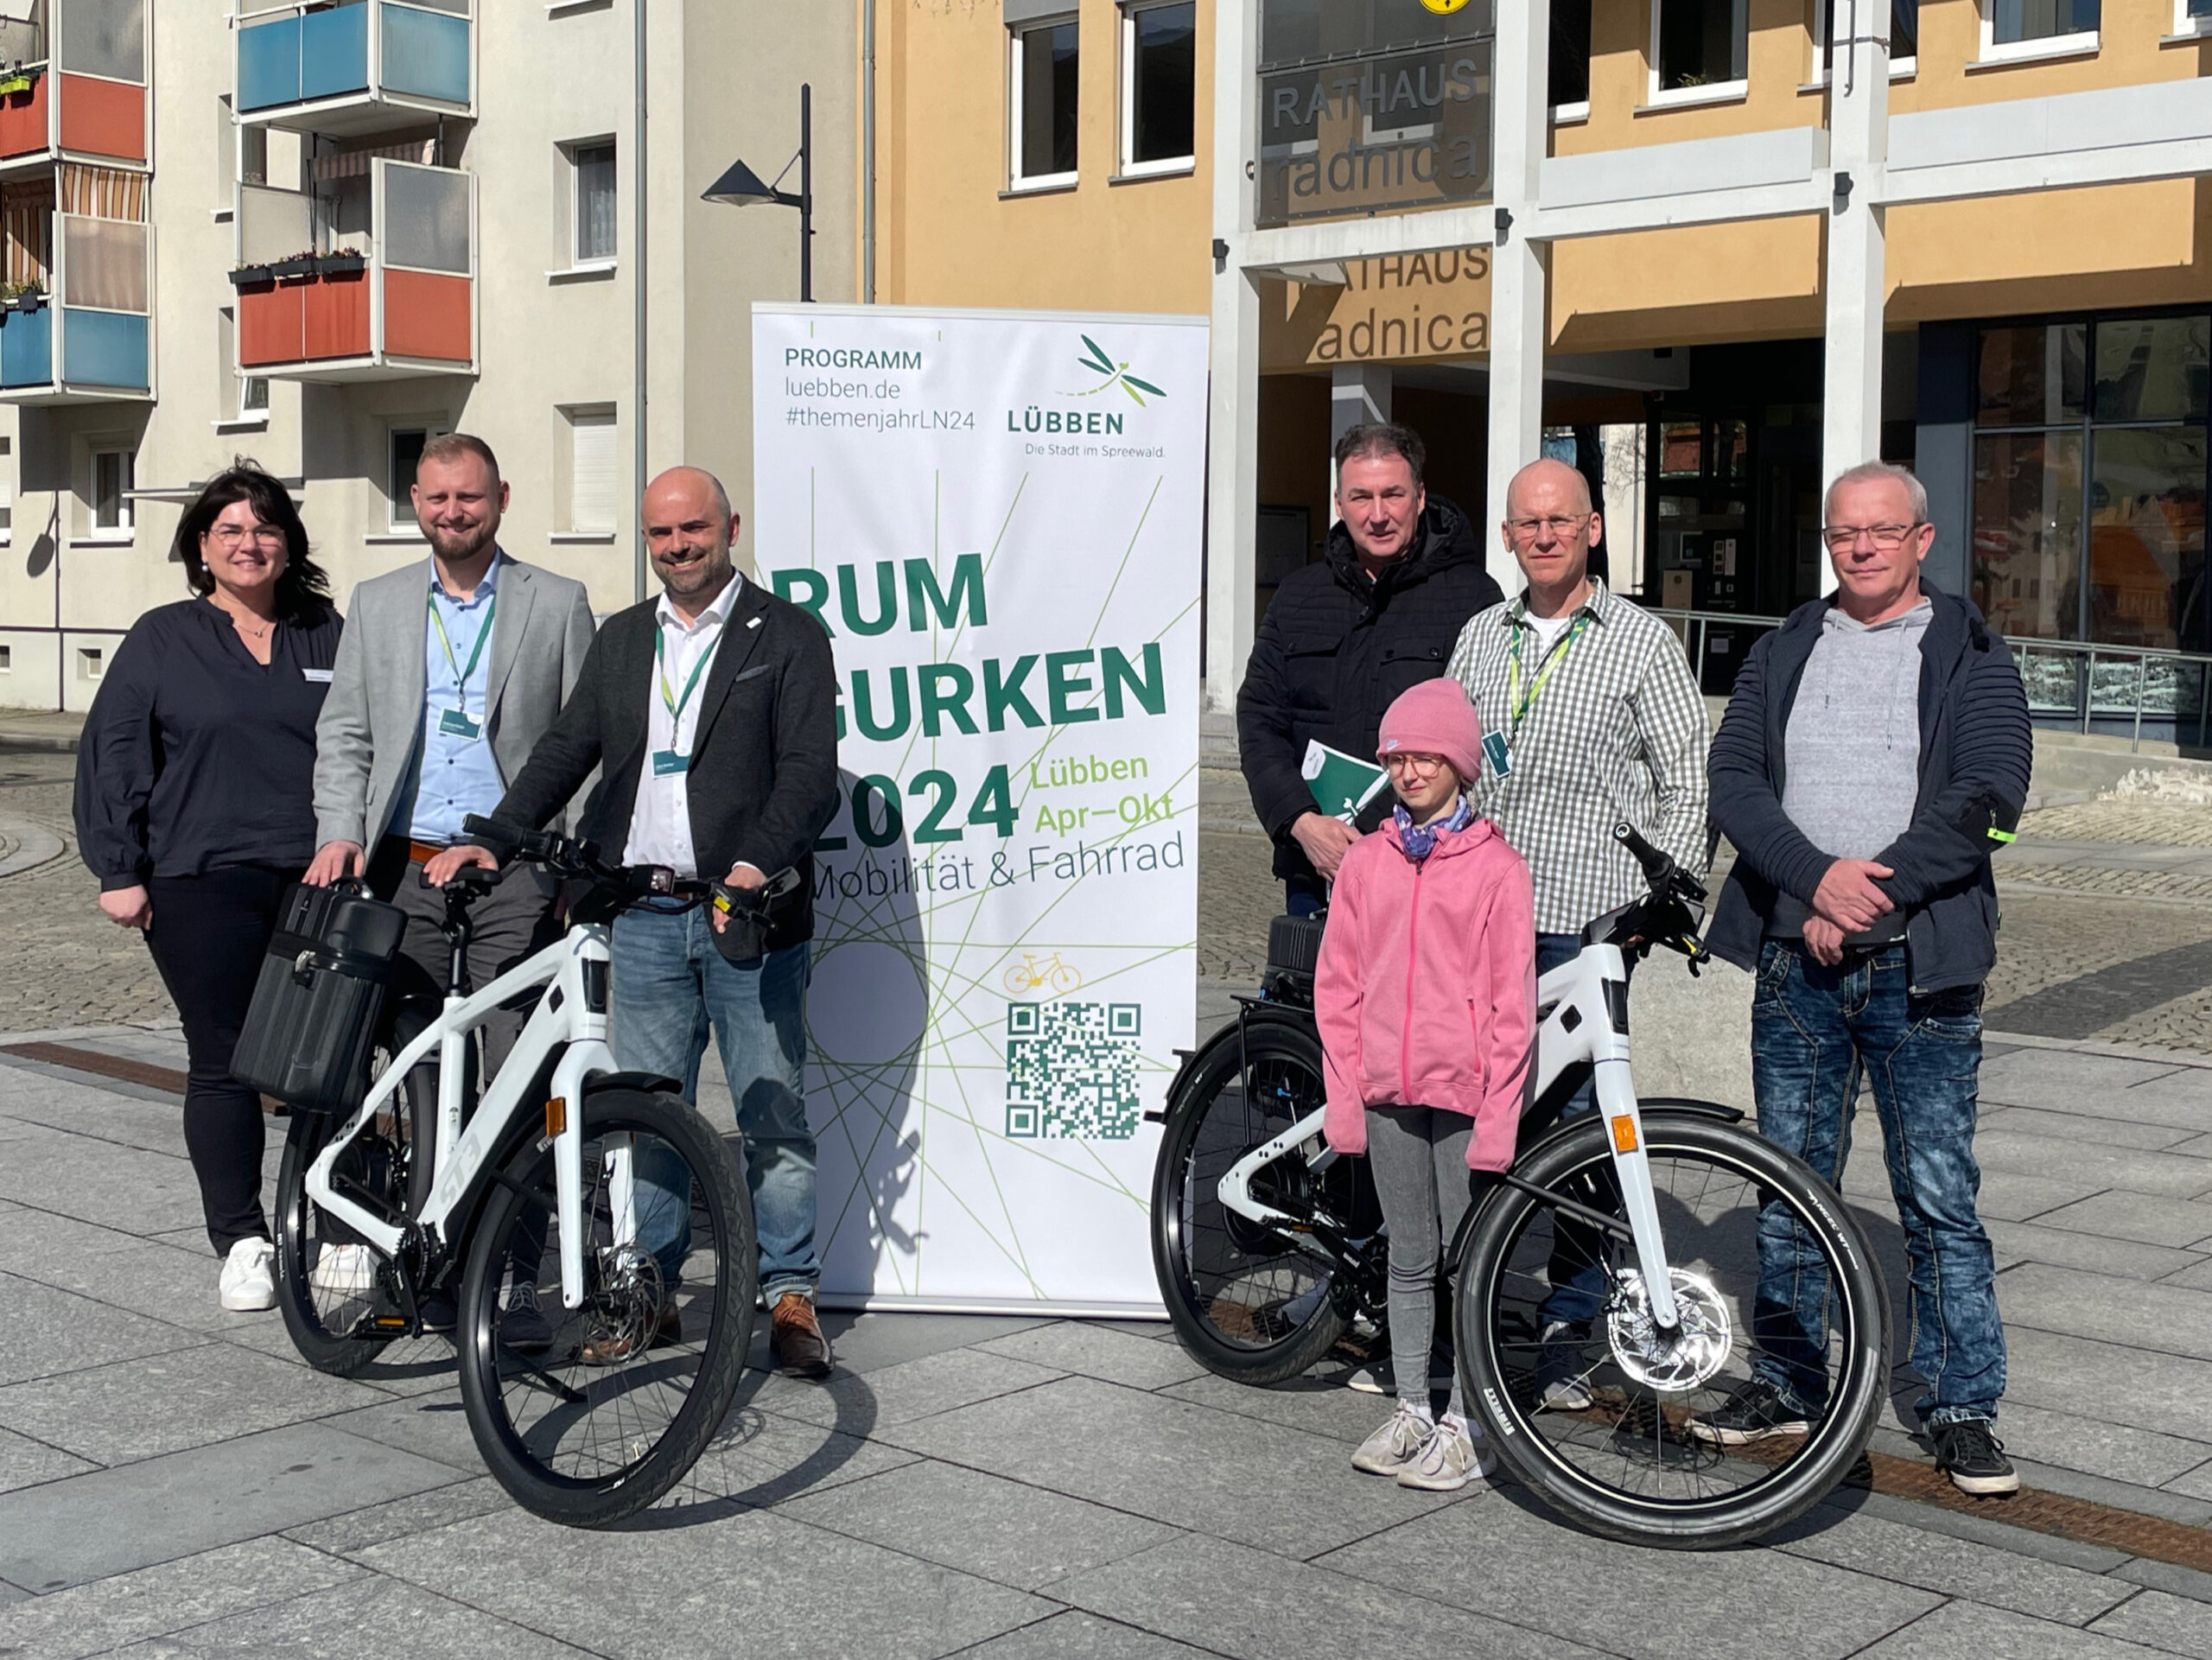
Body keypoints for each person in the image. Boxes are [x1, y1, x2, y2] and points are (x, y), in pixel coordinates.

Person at [428, 467, 842, 1377]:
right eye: (660, 534)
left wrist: (752, 863)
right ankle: (647, 1293)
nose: (678, 546)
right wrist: (498, 837)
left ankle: (788, 1294)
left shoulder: (790, 636)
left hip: (745, 912)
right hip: (643, 914)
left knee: (770, 1111)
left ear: (730, 525)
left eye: (693, 528)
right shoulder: (621, 639)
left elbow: (810, 773)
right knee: (651, 1116)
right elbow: (565, 751)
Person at [1699, 461, 2031, 1498]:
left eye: (1883, 532)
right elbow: (1733, 783)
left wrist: (1868, 897)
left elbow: (1992, 799)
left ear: (1922, 540)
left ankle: (1961, 1401)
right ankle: (1792, 1381)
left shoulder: (1974, 653)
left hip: (1918, 972)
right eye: (1845, 533)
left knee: (1935, 1192)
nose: (1862, 548)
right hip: (1796, 961)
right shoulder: (1784, 645)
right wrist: (1816, 884)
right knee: (1789, 1183)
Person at [307, 432, 596, 1346]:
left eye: (469, 498)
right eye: (436, 499)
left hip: (511, 866)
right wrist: (341, 831)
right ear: (415, 500)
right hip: (403, 859)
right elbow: (345, 734)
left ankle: (508, 1278)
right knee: (418, 1059)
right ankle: (416, 1256)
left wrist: (558, 862)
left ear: (500, 498)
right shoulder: (381, 602)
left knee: (514, 1064)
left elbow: (587, 749)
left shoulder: (558, 602)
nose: (452, 513)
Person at [1446, 455, 1708, 1404]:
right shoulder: (1479, 637)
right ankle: (1463, 1311)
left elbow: (1686, 777)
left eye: (1561, 520)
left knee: (1578, 1134)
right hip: (1477, 922)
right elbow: (1444, 764)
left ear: (1592, 529)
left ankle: (1569, 1330)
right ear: (1508, 537)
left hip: (1583, 921)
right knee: (1471, 1117)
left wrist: (1662, 897)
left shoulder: (1641, 642)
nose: (1544, 535)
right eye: (1527, 523)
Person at [74, 467, 342, 1313]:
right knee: (224, 1061)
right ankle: (243, 1239)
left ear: (288, 542)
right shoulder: (164, 637)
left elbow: (365, 741)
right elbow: (114, 751)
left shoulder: (325, 633)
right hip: (200, 878)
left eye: (264, 529)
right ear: (201, 547)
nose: (248, 543)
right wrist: (117, 867)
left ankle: (334, 1228)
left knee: (326, 1063)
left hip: (318, 877)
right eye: (229, 530)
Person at [1314, 677, 1535, 1492]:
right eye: (1397, 756)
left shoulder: (1499, 870)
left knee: (1466, 1260)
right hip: (1386, 1092)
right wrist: (1347, 1099)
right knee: (1408, 1255)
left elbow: (1514, 1005)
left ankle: (1468, 1420)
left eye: (1426, 756)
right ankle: (1414, 1403)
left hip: (1466, 1095)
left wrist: (1500, 1119)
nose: (1408, 771)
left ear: (1459, 764)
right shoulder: (1366, 863)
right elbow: (1336, 988)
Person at [1238, 422, 1504, 915]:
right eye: (1361, 497)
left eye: (1393, 495)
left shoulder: (1474, 599)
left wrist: (1393, 835)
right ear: (1340, 504)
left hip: (1430, 869)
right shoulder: (1298, 597)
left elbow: (1490, 736)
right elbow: (1259, 720)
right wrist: (1300, 821)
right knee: (1318, 993)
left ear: (1421, 497)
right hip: (1315, 862)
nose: (1378, 515)